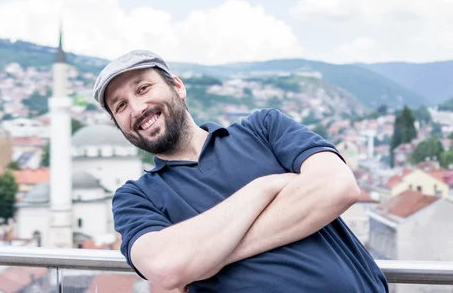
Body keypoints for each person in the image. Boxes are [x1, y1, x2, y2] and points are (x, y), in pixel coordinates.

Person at [92, 50, 388, 293]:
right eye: (120, 106)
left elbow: (338, 187)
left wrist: (202, 260)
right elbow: (165, 268)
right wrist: (266, 188)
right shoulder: (135, 197)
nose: (137, 107)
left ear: (177, 87)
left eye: (143, 88)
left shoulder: (264, 128)